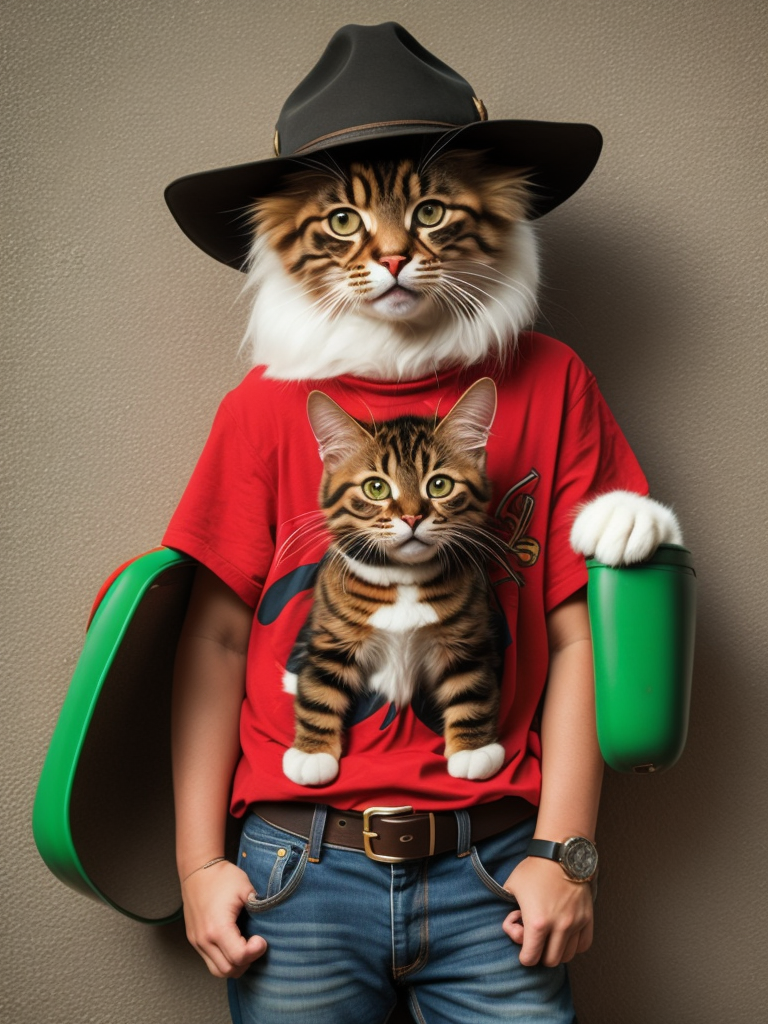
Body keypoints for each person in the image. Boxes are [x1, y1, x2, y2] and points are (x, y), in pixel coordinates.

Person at [165, 23, 678, 1024]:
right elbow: (217, 636)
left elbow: (580, 636)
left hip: (495, 860)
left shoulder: (551, 381)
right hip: (294, 865)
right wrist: (196, 863)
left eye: (430, 214)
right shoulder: (267, 406)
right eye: (350, 224)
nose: (392, 256)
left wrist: (565, 851)